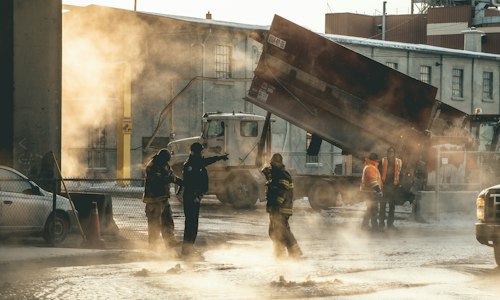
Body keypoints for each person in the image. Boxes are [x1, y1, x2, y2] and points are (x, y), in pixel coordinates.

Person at [181, 142, 228, 259]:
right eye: (200, 152)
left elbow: (207, 161)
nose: (202, 154)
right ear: (195, 152)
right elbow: (189, 184)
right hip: (191, 197)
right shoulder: (190, 165)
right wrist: (195, 196)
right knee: (190, 224)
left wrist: (220, 158)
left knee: (194, 224)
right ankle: (186, 249)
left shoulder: (197, 163)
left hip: (196, 197)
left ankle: (190, 247)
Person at [261, 153, 303, 259]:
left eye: (273, 163)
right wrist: (267, 175)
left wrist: (277, 205)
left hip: (281, 208)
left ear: (278, 163)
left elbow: (283, 191)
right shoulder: (276, 173)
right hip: (275, 208)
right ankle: (279, 252)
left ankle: (294, 253)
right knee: (273, 231)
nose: (271, 164)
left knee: (283, 231)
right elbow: (272, 184)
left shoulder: (283, 174)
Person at [143, 148, 183, 251]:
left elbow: (171, 176)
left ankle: (170, 242)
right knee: (154, 225)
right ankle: (153, 247)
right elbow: (158, 180)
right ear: (161, 158)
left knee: (168, 221)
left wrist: (181, 182)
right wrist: (170, 179)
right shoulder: (152, 166)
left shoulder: (164, 164)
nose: (167, 162)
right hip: (153, 200)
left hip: (163, 199)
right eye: (165, 160)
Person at [378, 147, 402, 229]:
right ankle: (381, 223)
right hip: (384, 186)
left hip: (393, 187)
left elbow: (400, 173)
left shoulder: (398, 161)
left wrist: (399, 184)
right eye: (389, 151)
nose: (390, 153)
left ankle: (390, 224)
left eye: (392, 151)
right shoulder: (383, 161)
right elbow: (378, 173)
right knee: (382, 206)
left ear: (394, 153)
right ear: (387, 152)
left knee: (392, 207)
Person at [360, 152, 383, 231]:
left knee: (371, 210)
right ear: (375, 160)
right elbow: (372, 181)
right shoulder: (370, 168)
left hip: (369, 192)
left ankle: (366, 226)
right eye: (377, 160)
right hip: (371, 193)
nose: (378, 162)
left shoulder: (370, 166)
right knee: (373, 210)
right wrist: (379, 190)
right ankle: (373, 227)